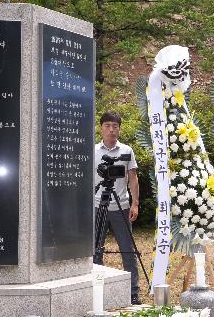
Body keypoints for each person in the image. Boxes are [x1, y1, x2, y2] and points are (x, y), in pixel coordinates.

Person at [93, 111, 141, 304]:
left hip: (121, 206)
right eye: (107, 126)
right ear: (101, 128)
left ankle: (133, 292)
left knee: (127, 250)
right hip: (97, 205)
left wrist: (135, 203)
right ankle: (96, 289)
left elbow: (133, 178)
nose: (111, 130)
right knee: (95, 249)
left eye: (115, 126)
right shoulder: (93, 150)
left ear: (119, 129)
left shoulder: (127, 151)